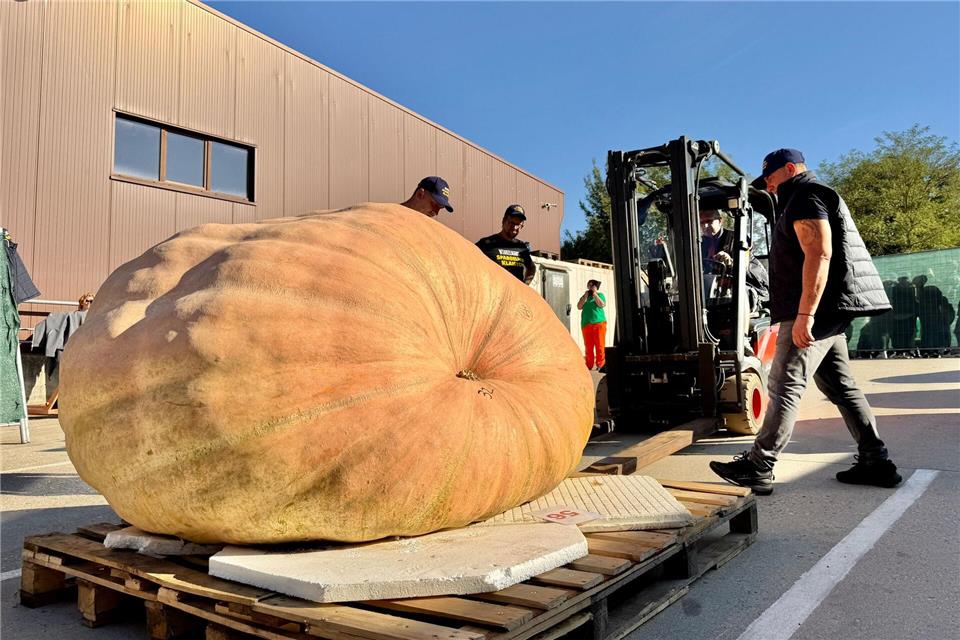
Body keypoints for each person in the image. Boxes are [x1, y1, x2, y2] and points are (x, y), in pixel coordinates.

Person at [710, 148, 900, 495]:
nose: (768, 185)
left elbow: (819, 252)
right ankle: (875, 461)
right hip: (826, 311)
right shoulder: (801, 197)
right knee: (841, 388)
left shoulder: (805, 196)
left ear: (790, 169)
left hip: (815, 311)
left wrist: (805, 315)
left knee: (784, 385)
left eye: (771, 177)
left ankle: (759, 465)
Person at [475, 205, 536, 283]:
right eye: (512, 223)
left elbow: (531, 268)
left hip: (514, 290)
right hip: (493, 289)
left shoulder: (522, 247)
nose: (514, 227)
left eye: (518, 224)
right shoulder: (486, 243)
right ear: (503, 221)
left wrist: (525, 284)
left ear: (522, 226)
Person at [577, 280, 607, 370]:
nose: (590, 287)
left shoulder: (600, 295)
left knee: (600, 345)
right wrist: (585, 297)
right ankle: (589, 365)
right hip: (586, 324)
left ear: (596, 287)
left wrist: (595, 294)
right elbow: (579, 306)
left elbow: (601, 304)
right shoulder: (585, 297)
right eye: (589, 285)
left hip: (599, 323)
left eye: (592, 285)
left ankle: (600, 364)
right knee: (588, 347)